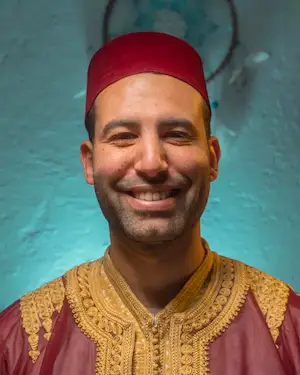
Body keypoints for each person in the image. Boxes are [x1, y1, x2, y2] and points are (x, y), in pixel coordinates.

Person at [0, 31, 300, 375]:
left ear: (213, 158)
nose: (151, 163)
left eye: (176, 134)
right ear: (89, 162)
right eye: (124, 136)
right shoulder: (19, 343)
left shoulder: (288, 331)